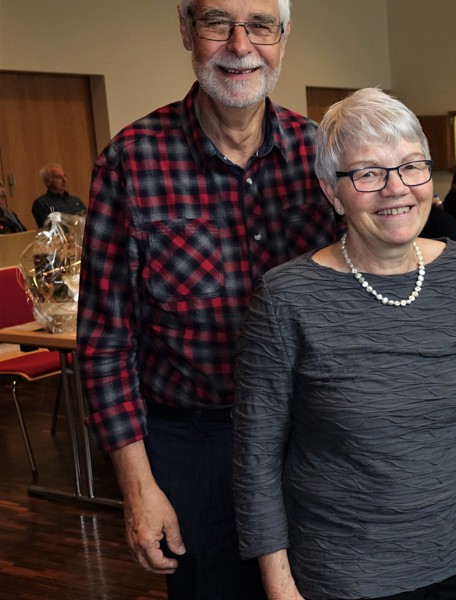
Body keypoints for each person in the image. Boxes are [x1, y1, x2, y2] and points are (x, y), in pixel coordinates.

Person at [76, 1, 339, 598]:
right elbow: (105, 344)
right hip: (194, 447)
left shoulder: (321, 155)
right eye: (217, 23)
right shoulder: (131, 161)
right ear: (186, 32)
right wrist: (139, 488)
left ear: (284, 37)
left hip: (313, 436)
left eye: (260, 25)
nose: (239, 45)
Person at [232, 88, 456, 600]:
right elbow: (255, 455)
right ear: (333, 192)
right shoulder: (286, 297)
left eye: (411, 167)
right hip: (345, 574)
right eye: (368, 174)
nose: (396, 189)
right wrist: (279, 586)